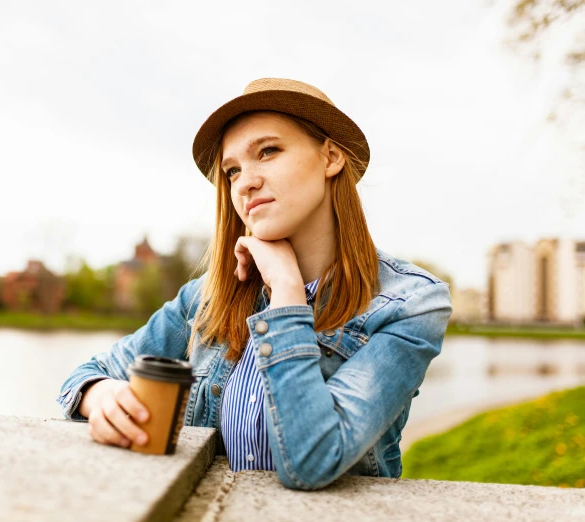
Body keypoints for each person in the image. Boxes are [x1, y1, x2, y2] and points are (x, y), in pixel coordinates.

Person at [56, 78, 453, 490]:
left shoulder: (410, 304)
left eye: (268, 151)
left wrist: (286, 290)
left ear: (332, 156)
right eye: (232, 170)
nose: (245, 182)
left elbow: (313, 460)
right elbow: (86, 375)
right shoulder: (206, 299)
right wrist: (102, 395)